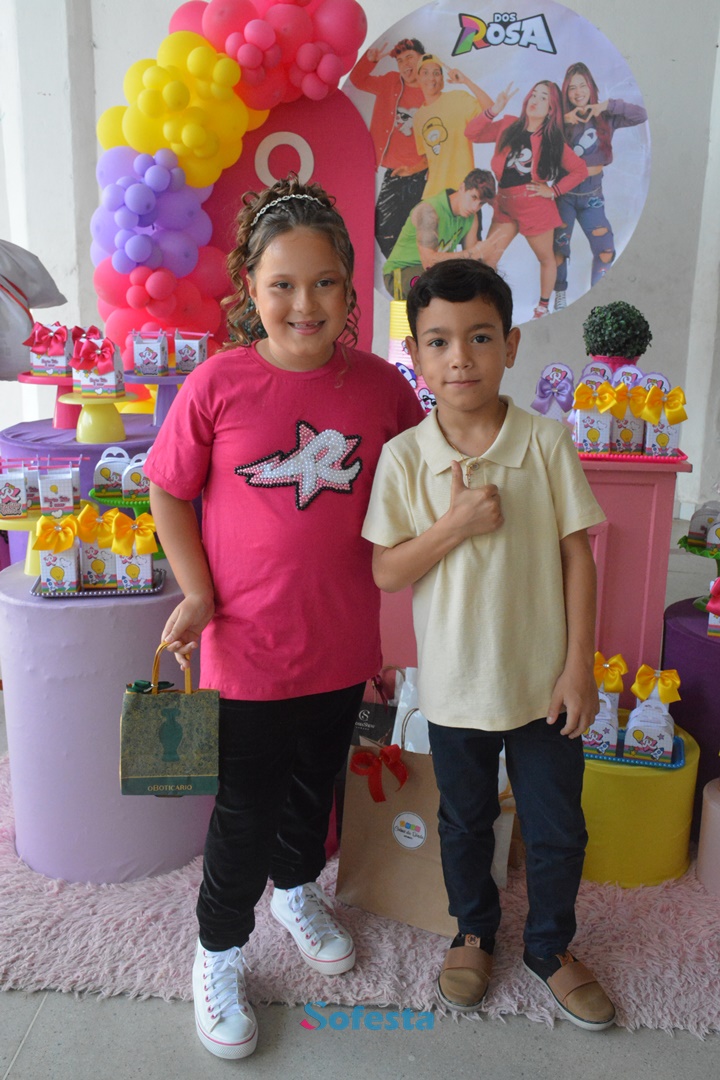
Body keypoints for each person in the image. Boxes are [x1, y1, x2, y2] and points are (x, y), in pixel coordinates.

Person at [146, 174, 424, 1061]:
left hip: (342, 644)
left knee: (315, 787)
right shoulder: (218, 383)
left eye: (324, 283)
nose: (305, 304)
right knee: (246, 808)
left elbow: (421, 474)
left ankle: (298, 890)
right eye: (283, 285)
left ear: (350, 287)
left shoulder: (381, 387)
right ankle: (218, 951)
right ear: (250, 289)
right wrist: (196, 590)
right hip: (248, 650)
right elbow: (167, 489)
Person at [362, 259, 616, 1032]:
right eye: (438, 341)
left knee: (557, 827)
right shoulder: (406, 457)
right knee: (465, 821)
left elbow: (578, 554)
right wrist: (454, 525)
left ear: (510, 344)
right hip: (454, 686)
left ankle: (550, 945)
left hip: (543, 685)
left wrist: (578, 666)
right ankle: (473, 931)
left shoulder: (544, 441)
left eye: (479, 337)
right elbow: (386, 569)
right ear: (415, 355)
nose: (460, 358)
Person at [465, 81, 588, 317]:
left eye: (543, 98)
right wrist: (494, 109)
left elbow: (579, 170)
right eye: (534, 94)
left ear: (551, 109)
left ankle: (542, 308)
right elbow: (472, 134)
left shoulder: (552, 139)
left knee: (546, 258)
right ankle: (482, 309)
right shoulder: (509, 125)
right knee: (486, 260)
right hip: (505, 204)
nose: (535, 100)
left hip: (534, 207)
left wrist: (554, 191)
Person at [553, 62, 649, 309]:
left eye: (582, 85)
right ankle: (560, 295)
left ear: (591, 87)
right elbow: (534, 135)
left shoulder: (605, 117)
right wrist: (562, 120)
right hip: (563, 195)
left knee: (606, 251)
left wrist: (605, 106)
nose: (578, 92)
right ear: (566, 92)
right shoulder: (559, 121)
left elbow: (641, 115)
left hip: (592, 197)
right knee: (559, 249)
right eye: (572, 88)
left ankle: (597, 303)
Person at [348, 37, 429, 257]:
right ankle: (404, 267)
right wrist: (369, 60)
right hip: (390, 172)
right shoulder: (391, 82)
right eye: (400, 61)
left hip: (420, 174)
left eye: (410, 57)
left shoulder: (432, 91)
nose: (405, 64)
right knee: (383, 229)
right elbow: (358, 80)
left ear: (422, 58)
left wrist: (417, 168)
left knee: (417, 229)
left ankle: (414, 269)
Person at [382, 168, 500, 299]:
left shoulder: (471, 217)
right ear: (462, 188)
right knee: (439, 286)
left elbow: (472, 263)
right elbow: (429, 262)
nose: (475, 207)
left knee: (477, 283)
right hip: (400, 273)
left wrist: (487, 258)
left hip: (436, 272)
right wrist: (472, 253)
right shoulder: (428, 211)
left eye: (481, 204)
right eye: (473, 197)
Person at [412, 55, 493, 200]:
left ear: (442, 80)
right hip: (434, 195)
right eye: (425, 73)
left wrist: (466, 81)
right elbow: (427, 158)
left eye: (436, 73)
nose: (431, 78)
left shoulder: (458, 98)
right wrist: (409, 170)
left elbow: (490, 108)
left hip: (463, 190)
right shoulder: (418, 117)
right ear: (418, 78)